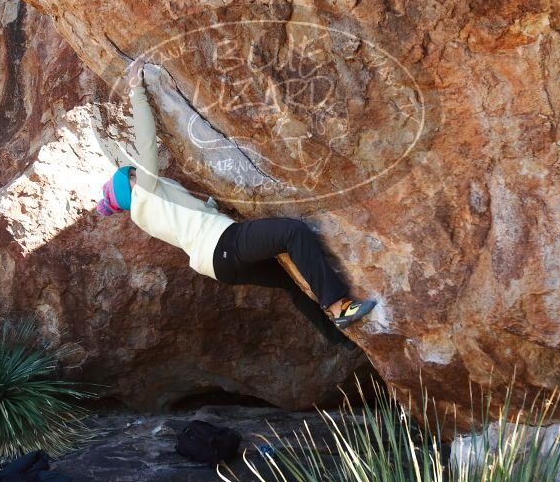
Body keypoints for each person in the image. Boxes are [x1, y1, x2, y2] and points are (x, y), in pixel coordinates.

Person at [96, 61, 376, 346]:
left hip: (217, 265)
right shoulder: (145, 191)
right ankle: (339, 306)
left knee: (289, 280)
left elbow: (188, 217)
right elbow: (145, 143)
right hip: (223, 245)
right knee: (293, 232)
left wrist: (212, 206)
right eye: (130, 174)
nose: (134, 171)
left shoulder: (145, 214)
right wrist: (136, 91)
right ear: (129, 186)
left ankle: (340, 340)